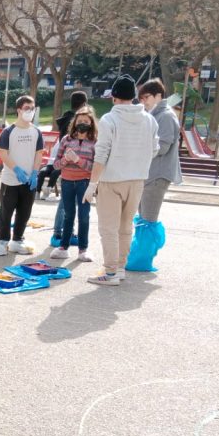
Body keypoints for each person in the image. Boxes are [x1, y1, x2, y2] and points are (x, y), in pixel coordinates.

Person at [84, 74, 159, 286]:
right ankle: (120, 267)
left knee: (109, 228)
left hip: (112, 179)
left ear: (114, 97)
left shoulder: (110, 119)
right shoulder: (149, 119)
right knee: (126, 227)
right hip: (137, 180)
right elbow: (155, 149)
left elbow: (101, 154)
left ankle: (110, 272)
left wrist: (92, 184)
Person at [0, 95, 43, 256]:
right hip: (10, 180)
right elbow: (3, 154)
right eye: (27, 108)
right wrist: (16, 169)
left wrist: (35, 172)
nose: (30, 111)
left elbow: (38, 153)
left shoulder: (36, 131)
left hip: (29, 181)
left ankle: (17, 240)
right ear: (19, 110)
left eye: (32, 108)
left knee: (25, 212)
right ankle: (1, 241)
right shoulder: (8, 131)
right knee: (7, 211)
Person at [49, 106, 99, 262]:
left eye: (86, 120)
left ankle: (83, 249)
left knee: (84, 216)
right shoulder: (66, 140)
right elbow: (56, 164)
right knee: (68, 215)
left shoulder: (95, 142)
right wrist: (66, 160)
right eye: (80, 120)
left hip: (85, 183)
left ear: (91, 123)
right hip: (67, 182)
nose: (82, 123)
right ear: (74, 122)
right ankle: (64, 246)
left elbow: (96, 167)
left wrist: (78, 160)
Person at [136, 79, 181, 223]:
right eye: (141, 98)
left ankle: (145, 245)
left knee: (148, 221)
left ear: (159, 96)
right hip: (149, 174)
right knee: (143, 219)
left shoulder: (166, 115)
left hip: (157, 175)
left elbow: (163, 147)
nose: (144, 102)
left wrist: (140, 148)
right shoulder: (153, 114)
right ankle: (142, 245)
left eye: (146, 97)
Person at [40, 90, 89, 200]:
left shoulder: (65, 118)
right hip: (75, 164)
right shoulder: (76, 121)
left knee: (65, 204)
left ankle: (46, 191)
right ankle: (48, 190)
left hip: (64, 159)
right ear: (84, 104)